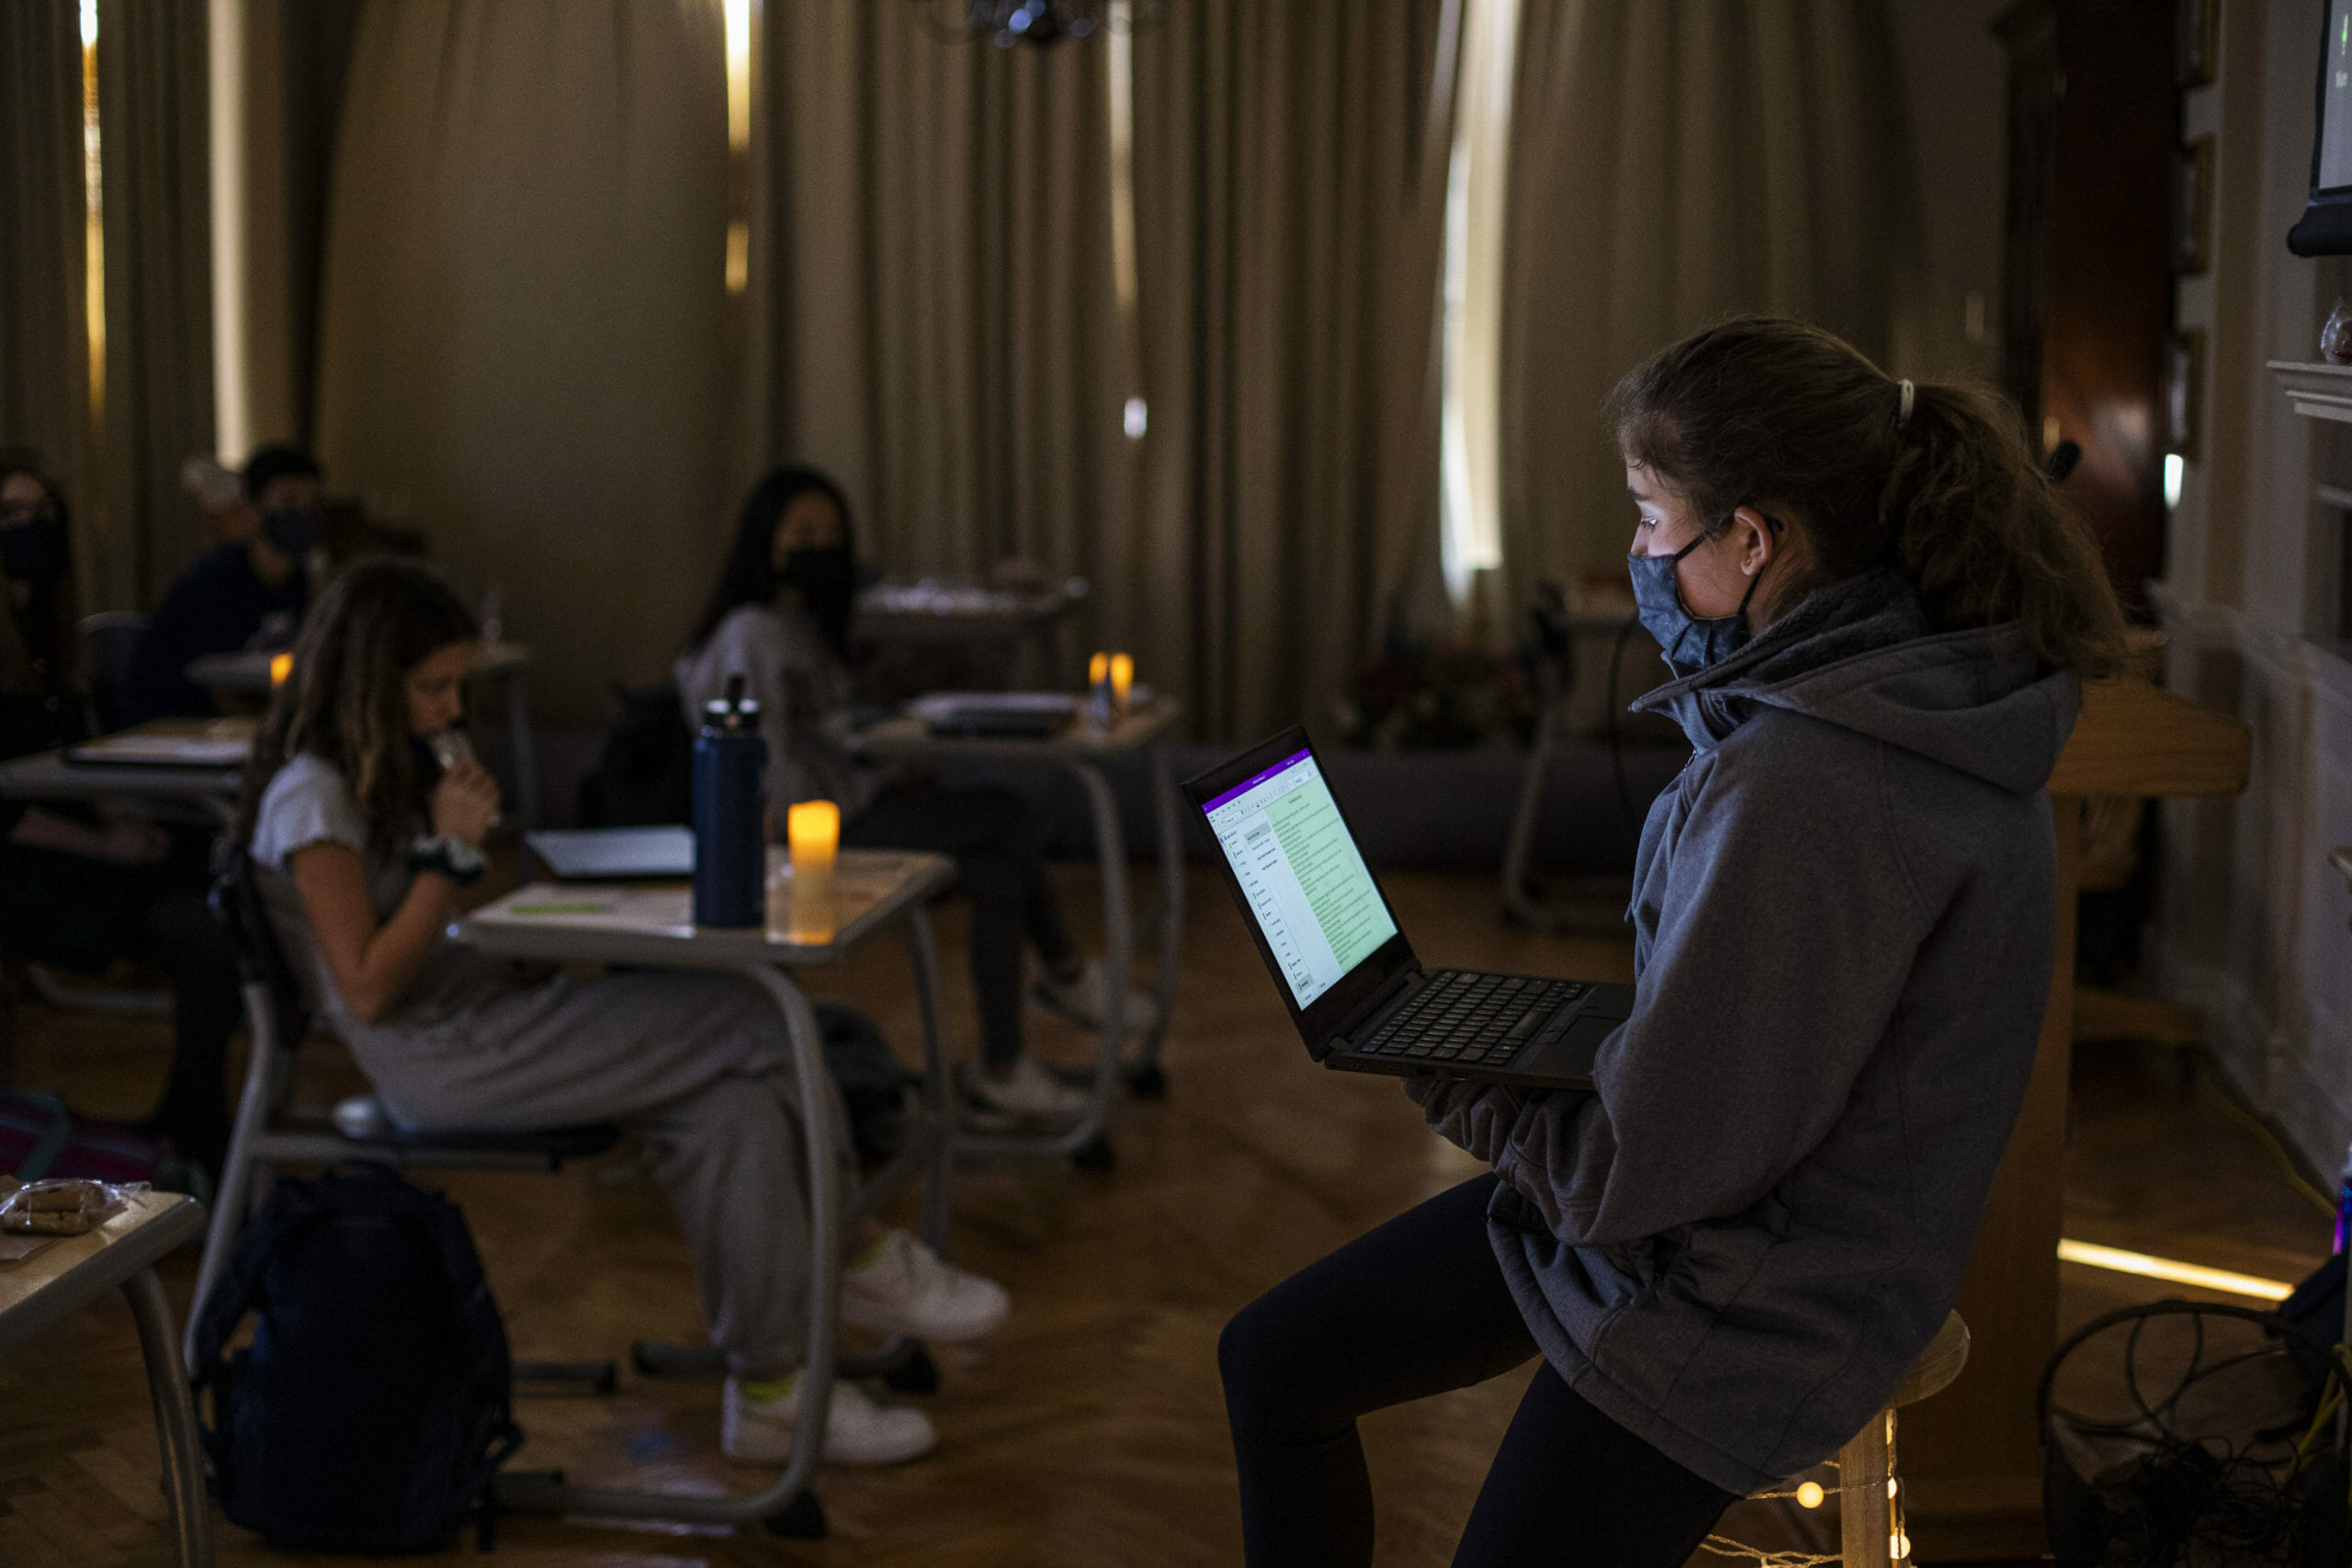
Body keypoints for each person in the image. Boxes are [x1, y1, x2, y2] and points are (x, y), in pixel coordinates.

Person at [1216, 318, 2131, 1567]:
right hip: (1734, 1216)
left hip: (1752, 1301)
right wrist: (1552, 1055)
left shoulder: (1809, 783)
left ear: (1755, 539)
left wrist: (1449, 1070)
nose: (1639, 553)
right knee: (1274, 1358)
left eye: (1653, 517)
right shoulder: (1932, 688)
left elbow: (1626, 1179)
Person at [235, 556, 1008, 1465]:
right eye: (433, 687)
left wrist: (506, 902)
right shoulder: (310, 798)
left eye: (454, 685)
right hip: (439, 1056)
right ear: (368, 683)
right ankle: (860, 1252)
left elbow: (431, 935)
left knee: (732, 1106)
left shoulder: (378, 773)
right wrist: (445, 858)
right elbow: (366, 988)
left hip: (482, 1016)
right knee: (752, 1014)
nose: (451, 708)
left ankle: (770, 1392)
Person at [676, 466, 1150, 1126]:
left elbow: (831, 737)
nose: (821, 548)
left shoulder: (805, 629)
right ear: (765, 540)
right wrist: (872, 781)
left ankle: (1004, 1067)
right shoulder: (748, 636)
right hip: (807, 841)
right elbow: (774, 780)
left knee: (998, 862)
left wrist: (885, 760)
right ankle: (1067, 978)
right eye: (804, 534)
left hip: (848, 806)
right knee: (1005, 816)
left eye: (832, 535)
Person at [0, 454, 242, 1173]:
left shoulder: (49, 638)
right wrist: (104, 845)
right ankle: (197, 1131)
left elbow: (74, 758)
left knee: (217, 883)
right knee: (200, 926)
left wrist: (120, 823)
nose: (30, 527)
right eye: (11, 515)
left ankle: (193, 1115)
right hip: (23, 862)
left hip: (71, 843)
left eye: (42, 513)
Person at [120, 443, 320, 724]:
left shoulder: (299, 581)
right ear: (253, 507)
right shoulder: (214, 581)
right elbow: (216, 683)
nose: (303, 513)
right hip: (175, 724)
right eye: (289, 502)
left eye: (313, 503)